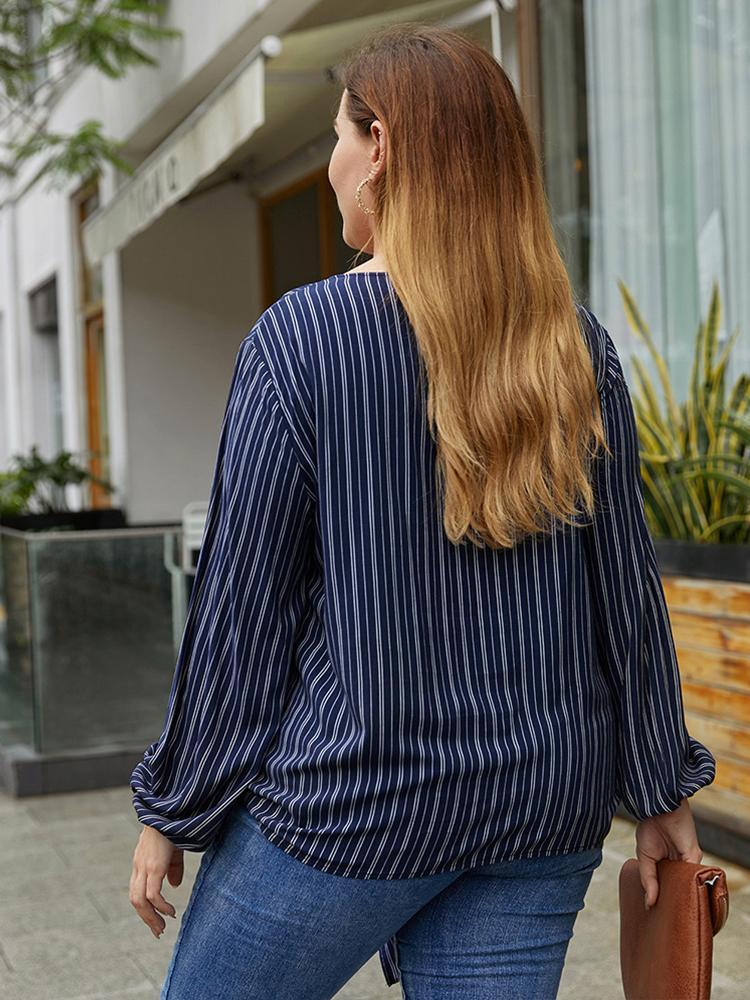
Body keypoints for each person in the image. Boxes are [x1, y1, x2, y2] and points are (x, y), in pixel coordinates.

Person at [128, 22, 716, 1000]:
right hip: (541, 802)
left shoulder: (300, 342)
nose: (329, 165)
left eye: (337, 138)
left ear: (383, 145)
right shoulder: (576, 346)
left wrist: (175, 802)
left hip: (358, 799)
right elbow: (626, 591)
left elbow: (241, 609)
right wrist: (659, 789)